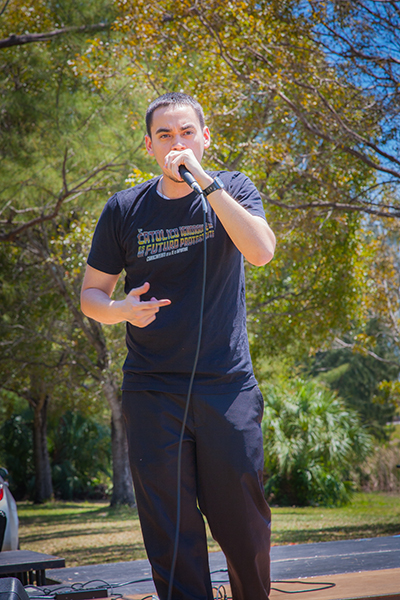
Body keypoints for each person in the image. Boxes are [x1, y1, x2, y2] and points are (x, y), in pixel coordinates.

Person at [81, 92, 276, 600]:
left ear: (205, 137)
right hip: (152, 390)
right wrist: (120, 310)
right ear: (149, 145)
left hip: (226, 386)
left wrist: (205, 183)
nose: (177, 143)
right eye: (165, 135)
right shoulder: (124, 209)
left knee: (244, 524)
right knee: (169, 530)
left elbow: (260, 252)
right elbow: (91, 296)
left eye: (187, 132)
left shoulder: (232, 189)